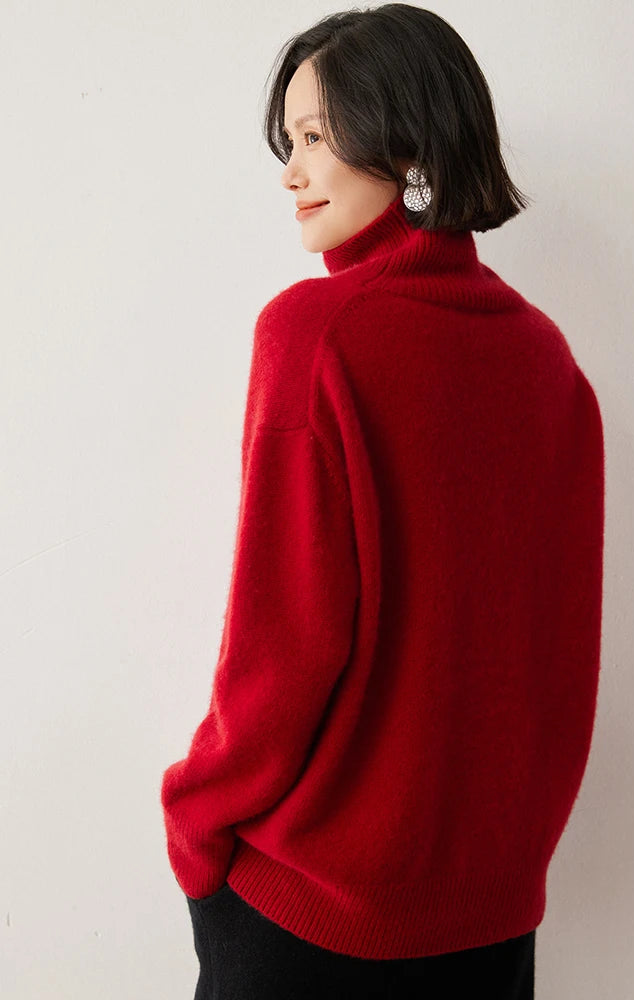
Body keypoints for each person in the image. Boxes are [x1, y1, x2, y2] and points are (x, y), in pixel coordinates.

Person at [160, 5, 605, 998]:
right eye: (290, 142)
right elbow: (559, 659)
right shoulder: (549, 362)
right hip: (490, 922)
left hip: (307, 919)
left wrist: (194, 819)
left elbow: (282, 644)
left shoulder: (315, 336)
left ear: (405, 140)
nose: (291, 173)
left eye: (316, 137)